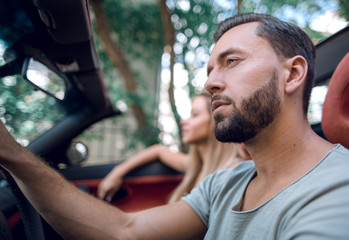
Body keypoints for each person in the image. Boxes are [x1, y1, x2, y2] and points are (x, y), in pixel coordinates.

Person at [0, 12, 349, 239]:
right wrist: (12, 154)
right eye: (210, 70)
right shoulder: (226, 184)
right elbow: (125, 230)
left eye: (232, 62)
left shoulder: (337, 189)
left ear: (293, 74)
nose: (211, 84)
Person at [97, 93, 247, 203]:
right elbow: (158, 150)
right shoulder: (194, 165)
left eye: (194, 115)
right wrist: (117, 172)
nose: (183, 121)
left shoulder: (233, 171)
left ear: (215, 121)